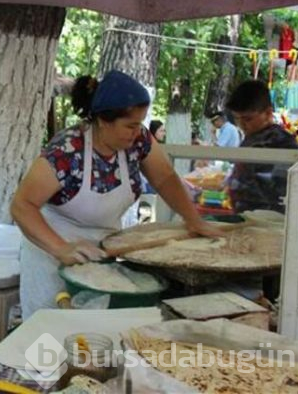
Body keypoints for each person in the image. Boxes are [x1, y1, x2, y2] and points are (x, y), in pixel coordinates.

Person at [11, 71, 224, 318]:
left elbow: (165, 178)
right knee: (50, 341)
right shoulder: (67, 150)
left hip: (102, 253)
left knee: (95, 340)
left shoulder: (138, 141)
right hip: (51, 252)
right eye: (130, 125)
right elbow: (21, 206)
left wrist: (193, 220)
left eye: (140, 123)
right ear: (103, 120)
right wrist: (61, 248)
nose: (138, 132)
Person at [225, 79, 298, 213]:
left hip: (270, 222)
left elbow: (284, 191)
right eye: (237, 118)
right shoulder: (252, 137)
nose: (241, 125)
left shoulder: (282, 143)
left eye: (248, 119)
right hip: (247, 218)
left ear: (268, 113)